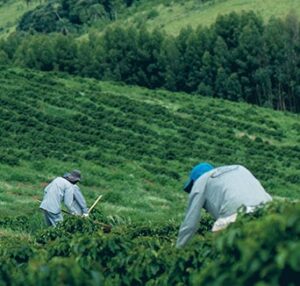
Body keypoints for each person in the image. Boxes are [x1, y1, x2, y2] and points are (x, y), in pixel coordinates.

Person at [176, 163, 272, 248]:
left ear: (194, 181)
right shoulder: (239, 168)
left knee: (216, 247)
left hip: (236, 213)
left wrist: (179, 249)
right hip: (269, 209)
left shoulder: (200, 181)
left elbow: (190, 223)